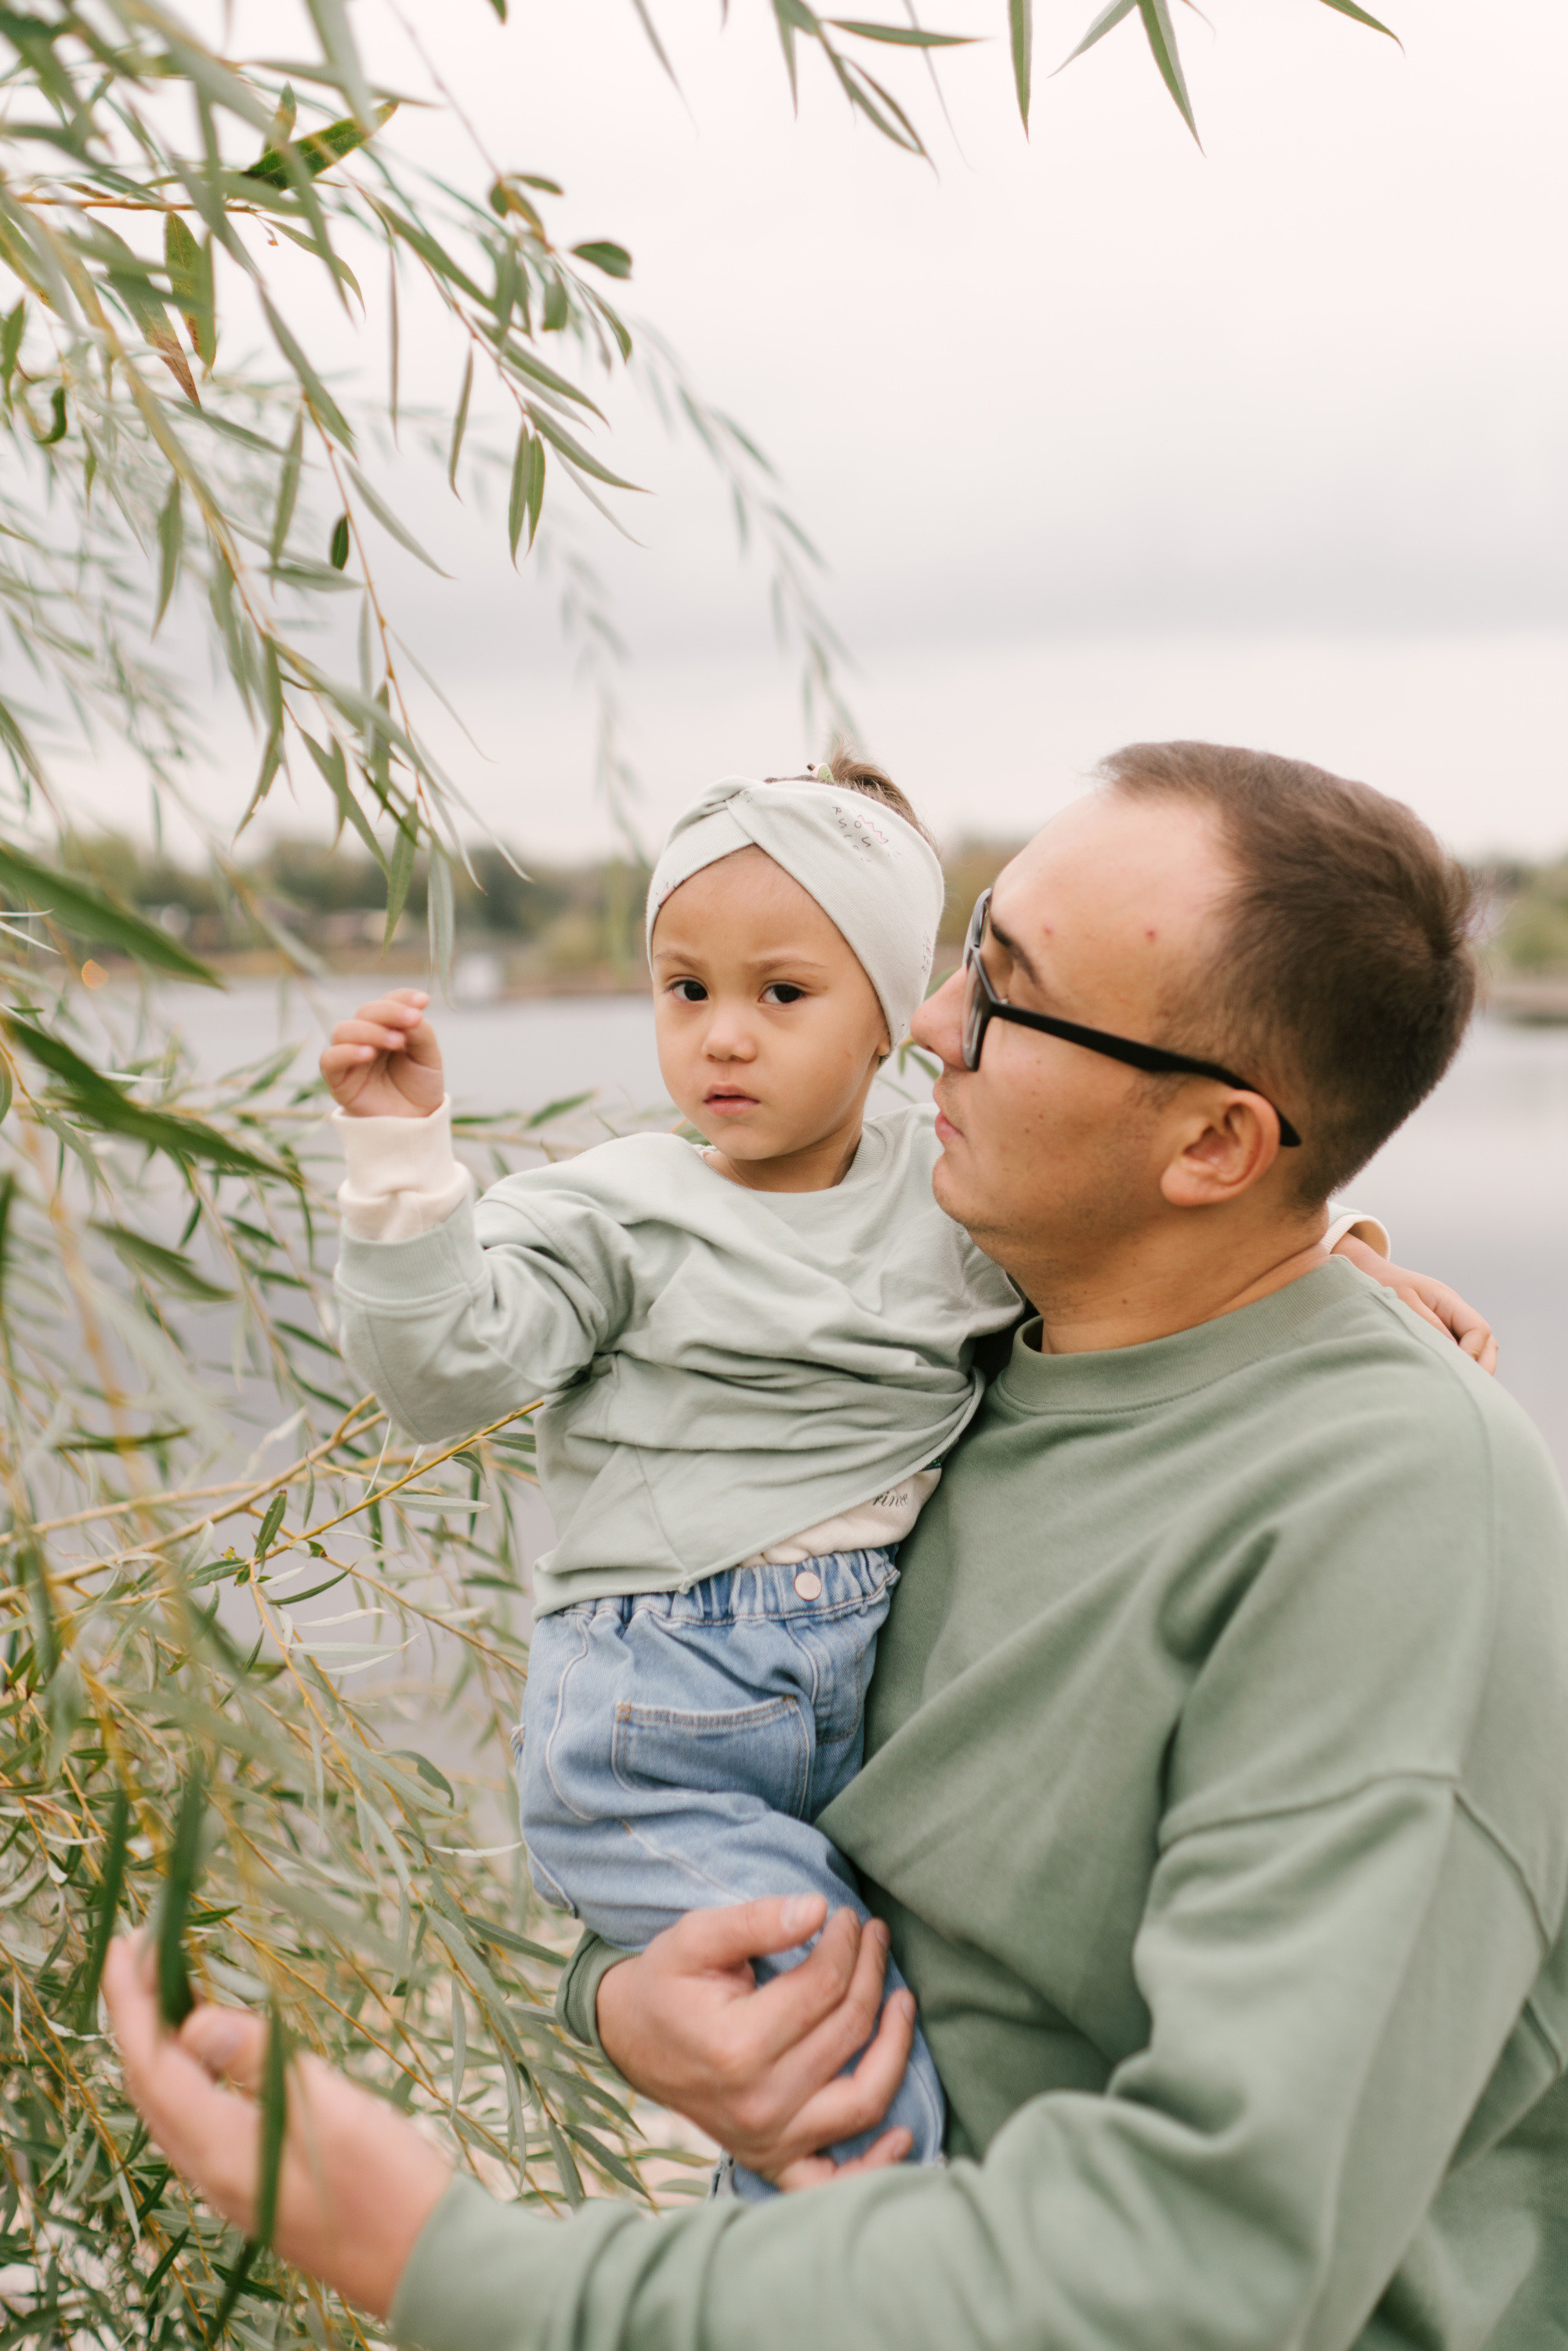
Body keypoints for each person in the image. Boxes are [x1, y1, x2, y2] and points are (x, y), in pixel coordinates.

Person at [110, 741, 1566, 2351]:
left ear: (1214, 1149)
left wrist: (447, 2259)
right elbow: (804, 1822)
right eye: (960, 952)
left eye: (1001, 996)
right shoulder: (955, 1376)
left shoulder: (1399, 1518)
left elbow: (1204, 2262)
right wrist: (623, 1998)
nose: (928, 1026)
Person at [317, 752, 1432, 2197]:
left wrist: (1343, 1269)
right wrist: (402, 1160)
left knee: (835, 2039)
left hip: (843, 1713)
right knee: (841, 2078)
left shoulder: (953, 1195)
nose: (723, 1039)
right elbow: (444, 1369)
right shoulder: (612, 1219)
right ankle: (850, 2274)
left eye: (783, 995)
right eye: (683, 988)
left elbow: (1166, 1240)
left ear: (892, 1018)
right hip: (662, 1722)